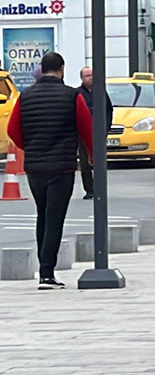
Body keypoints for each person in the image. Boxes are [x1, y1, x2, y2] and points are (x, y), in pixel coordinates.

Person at [7, 52, 93, 289]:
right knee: (55, 218)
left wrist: (31, 146)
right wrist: (93, 156)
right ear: (62, 69)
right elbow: (87, 128)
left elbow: (13, 130)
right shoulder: (72, 96)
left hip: (35, 166)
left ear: (41, 69)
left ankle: (44, 269)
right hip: (62, 166)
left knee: (42, 214)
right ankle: (47, 273)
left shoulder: (25, 97)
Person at [76, 66, 113, 200]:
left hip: (99, 133)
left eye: (92, 75)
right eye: (87, 76)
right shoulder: (78, 93)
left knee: (99, 162)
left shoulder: (101, 92)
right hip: (83, 135)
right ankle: (89, 190)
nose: (91, 78)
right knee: (85, 163)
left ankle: (99, 189)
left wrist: (106, 128)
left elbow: (109, 110)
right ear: (82, 78)